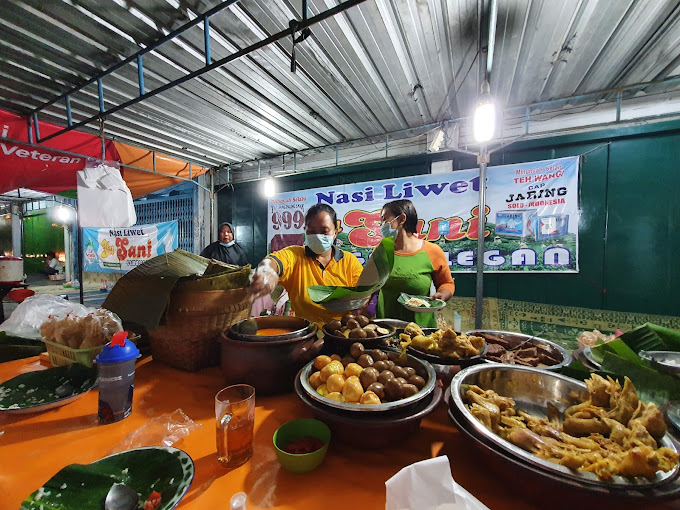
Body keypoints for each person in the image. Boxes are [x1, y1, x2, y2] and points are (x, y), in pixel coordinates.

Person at [250, 203, 363, 324]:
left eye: (324, 231)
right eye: (312, 231)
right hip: (306, 333)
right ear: (305, 232)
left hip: (342, 334)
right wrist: (267, 271)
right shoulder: (295, 255)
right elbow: (275, 261)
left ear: (335, 232)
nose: (318, 236)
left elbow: (363, 294)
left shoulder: (350, 261)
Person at [375, 199, 455, 327]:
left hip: (422, 330)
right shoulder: (380, 251)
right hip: (386, 329)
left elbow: (447, 283)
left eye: (384, 220)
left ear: (401, 219)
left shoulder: (433, 251)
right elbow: (372, 284)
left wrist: (442, 294)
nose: (381, 225)